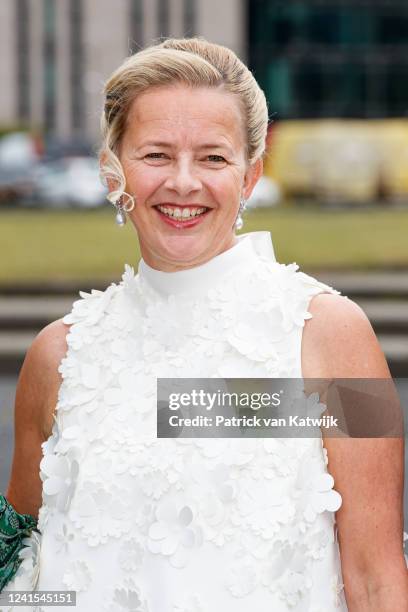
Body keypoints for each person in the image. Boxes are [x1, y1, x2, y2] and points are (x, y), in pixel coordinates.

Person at [3, 36, 407, 611]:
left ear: (249, 177)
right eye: (156, 155)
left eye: (214, 157)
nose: (184, 183)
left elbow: (376, 578)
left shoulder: (332, 336)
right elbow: (25, 567)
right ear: (112, 169)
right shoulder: (57, 356)